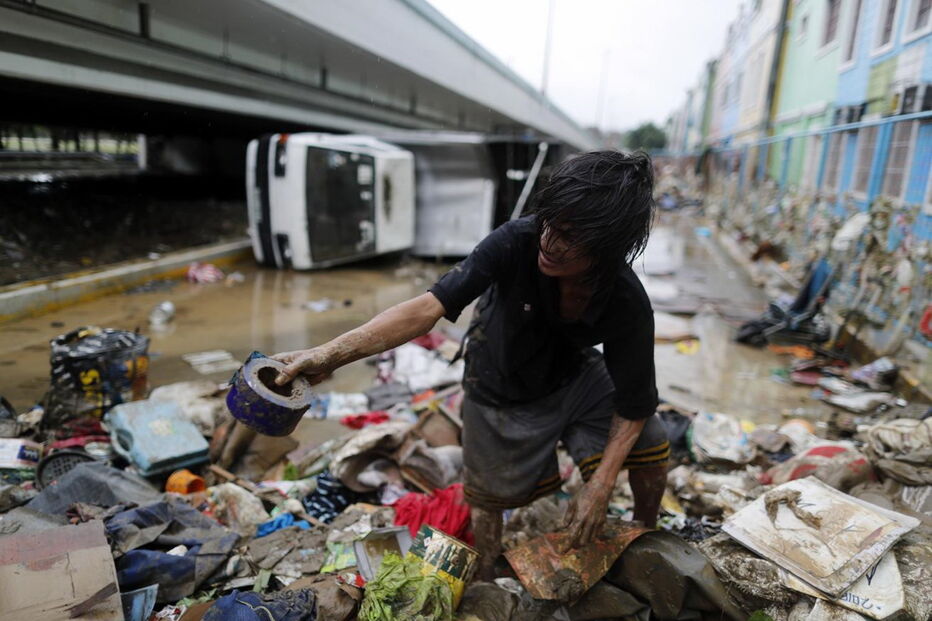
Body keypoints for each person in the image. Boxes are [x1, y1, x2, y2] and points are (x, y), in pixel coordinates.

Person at [272, 150, 668, 580]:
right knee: (488, 502)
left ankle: (647, 538)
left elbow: (634, 402)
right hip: (496, 380)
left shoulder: (627, 301)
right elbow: (425, 309)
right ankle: (487, 575)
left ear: (607, 249)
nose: (550, 242)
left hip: (574, 376)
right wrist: (326, 354)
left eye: (571, 237)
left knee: (651, 444)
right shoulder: (518, 240)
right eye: (551, 222)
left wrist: (601, 485)